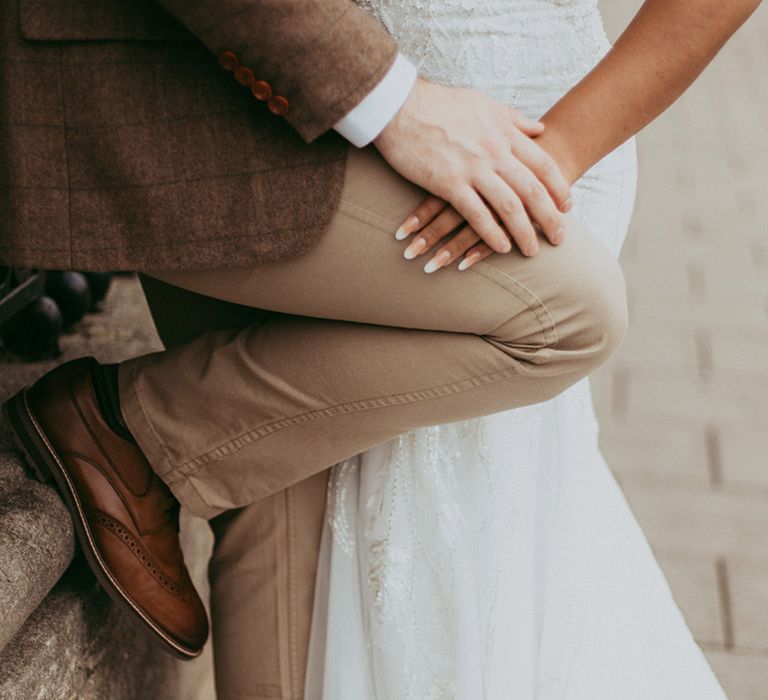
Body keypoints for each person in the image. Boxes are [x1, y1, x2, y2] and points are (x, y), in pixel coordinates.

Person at [0, 0, 759, 697]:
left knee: (374, 482)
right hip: (270, 94)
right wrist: (393, 101)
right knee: (287, 481)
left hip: (491, 125)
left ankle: (133, 431)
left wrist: (564, 140)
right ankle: (130, 432)